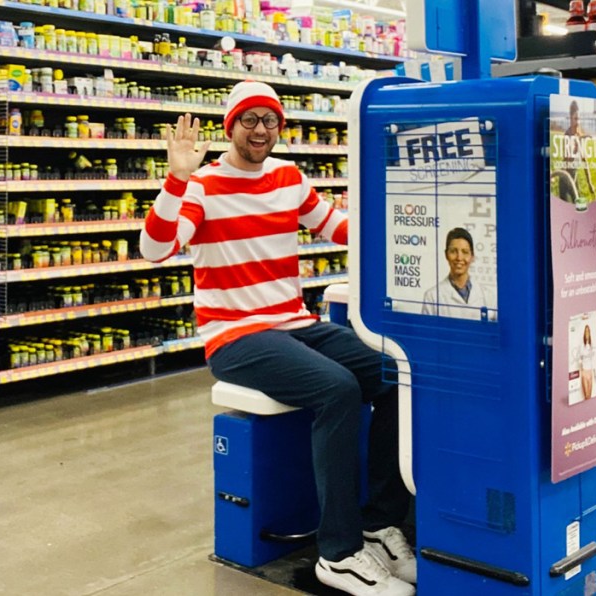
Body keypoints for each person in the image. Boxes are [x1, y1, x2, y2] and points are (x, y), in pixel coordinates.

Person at [140, 81, 415, 596]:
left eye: (269, 120)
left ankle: (377, 525)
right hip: (235, 335)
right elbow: (155, 248)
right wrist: (176, 180)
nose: (260, 130)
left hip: (294, 323)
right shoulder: (202, 186)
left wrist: (408, 221)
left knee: (394, 374)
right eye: (249, 120)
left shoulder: (288, 177)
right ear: (231, 126)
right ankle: (338, 554)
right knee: (337, 389)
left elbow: (340, 229)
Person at [421, 228, 494, 320]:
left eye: (465, 252)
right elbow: (427, 333)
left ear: (472, 256)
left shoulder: (488, 295)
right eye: (453, 251)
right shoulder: (432, 297)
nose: (459, 258)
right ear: (446, 255)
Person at [580, 325, 595, 400]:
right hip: (585, 371)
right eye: (586, 331)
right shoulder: (582, 345)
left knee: (590, 396)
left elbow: (593, 359)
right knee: (586, 395)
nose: (587, 333)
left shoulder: (592, 345)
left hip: (590, 371)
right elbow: (580, 358)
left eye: (588, 331)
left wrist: (594, 373)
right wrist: (581, 371)